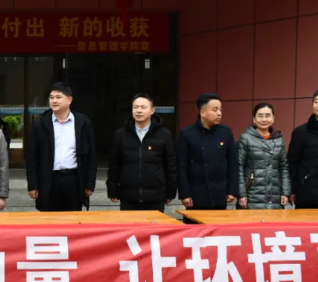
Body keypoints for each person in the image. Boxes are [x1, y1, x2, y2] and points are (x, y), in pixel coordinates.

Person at [26, 82, 97, 211]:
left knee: (72, 219)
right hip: (49, 180)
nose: (54, 101)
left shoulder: (83, 123)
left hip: (73, 180)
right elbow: (32, 157)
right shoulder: (41, 124)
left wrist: (89, 183)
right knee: (49, 219)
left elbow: (91, 156)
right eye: (51, 97)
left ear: (69, 100)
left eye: (58, 97)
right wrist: (33, 185)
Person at [107, 93, 177, 212]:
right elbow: (114, 164)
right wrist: (112, 189)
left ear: (152, 110)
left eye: (143, 107)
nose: (139, 110)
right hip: (128, 196)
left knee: (154, 225)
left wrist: (171, 191)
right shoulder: (121, 135)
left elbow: (171, 165)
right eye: (135, 107)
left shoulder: (164, 135)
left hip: (155, 196)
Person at [176, 93, 238, 223]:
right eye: (215, 110)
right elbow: (181, 166)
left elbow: (233, 163)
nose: (219, 113)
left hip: (219, 193)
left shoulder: (226, 132)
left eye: (220, 109)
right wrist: (185, 194)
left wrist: (232, 190)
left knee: (218, 231)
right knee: (194, 232)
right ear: (202, 112)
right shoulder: (187, 134)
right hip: (196, 194)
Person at [237, 103, 291, 209]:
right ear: (254, 119)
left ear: (273, 118)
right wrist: (241, 194)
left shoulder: (279, 139)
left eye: (267, 115)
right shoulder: (245, 138)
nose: (264, 119)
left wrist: (286, 192)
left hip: (275, 194)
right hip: (252, 194)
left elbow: (284, 168)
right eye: (260, 116)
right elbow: (239, 167)